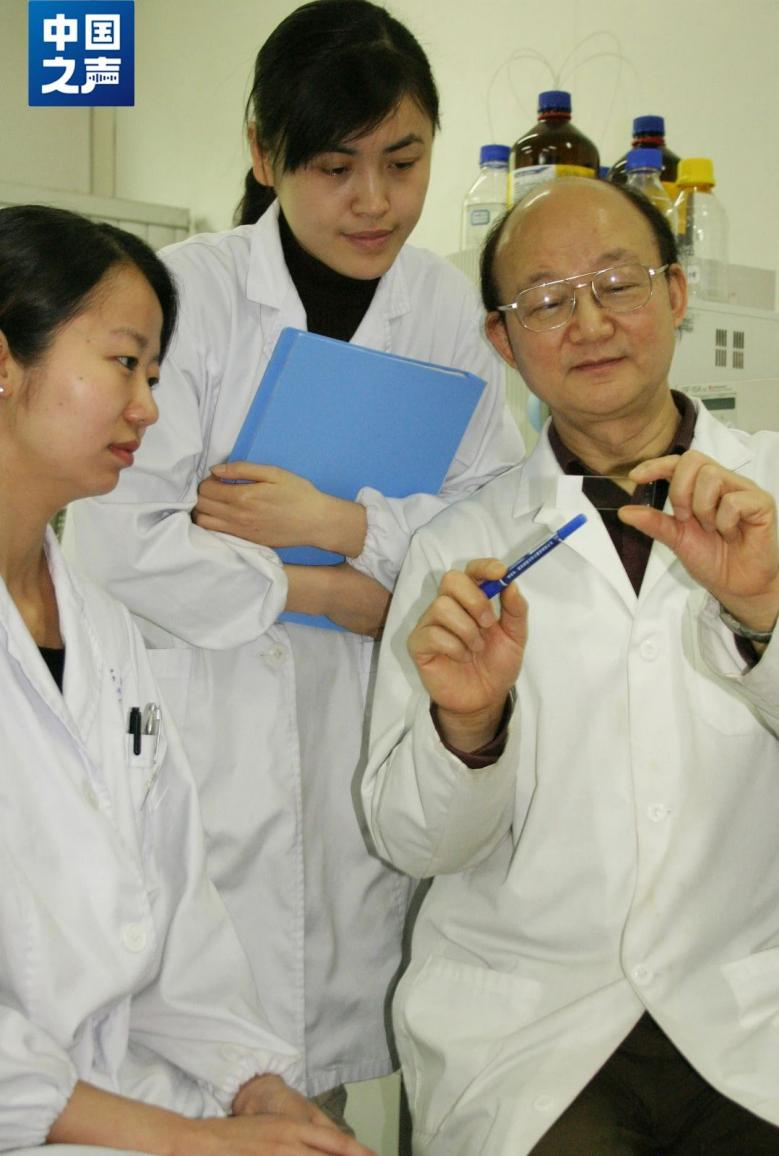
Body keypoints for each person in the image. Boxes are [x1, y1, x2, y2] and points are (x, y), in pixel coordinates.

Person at [63, 0, 524, 1126]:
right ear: (264, 155)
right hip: (209, 735)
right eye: (333, 167)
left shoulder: (447, 308)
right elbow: (122, 540)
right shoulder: (188, 294)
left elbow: (497, 523)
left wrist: (338, 522)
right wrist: (337, 594)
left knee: (325, 1083)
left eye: (402, 162)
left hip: (362, 736)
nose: (374, 201)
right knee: (197, 1070)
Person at [360, 177, 779, 1155]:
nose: (588, 323)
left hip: (748, 1007)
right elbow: (414, 842)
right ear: (502, 341)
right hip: (531, 1027)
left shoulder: (767, 498)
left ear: (676, 293)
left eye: (617, 284)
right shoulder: (456, 550)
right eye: (545, 300)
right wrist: (467, 728)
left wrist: (762, 615)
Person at [0, 203, 376, 1156]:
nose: (148, 409)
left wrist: (252, 1084)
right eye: (125, 363)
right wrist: (186, 1140)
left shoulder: (100, 631)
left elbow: (169, 908)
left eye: (155, 375)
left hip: (124, 1094)